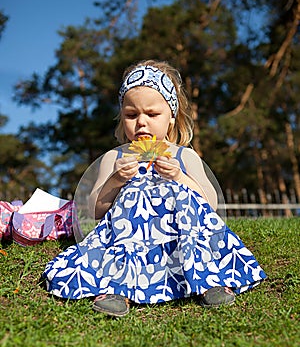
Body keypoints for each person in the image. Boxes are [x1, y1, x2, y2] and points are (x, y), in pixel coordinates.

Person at [43, 59, 266, 317]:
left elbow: (211, 204)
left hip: (180, 239)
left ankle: (209, 281)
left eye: (152, 114)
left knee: (187, 205)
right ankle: (118, 289)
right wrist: (115, 180)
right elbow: (94, 210)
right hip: (129, 242)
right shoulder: (114, 158)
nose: (141, 123)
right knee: (130, 203)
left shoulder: (184, 156)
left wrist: (181, 177)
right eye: (131, 115)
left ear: (171, 117)